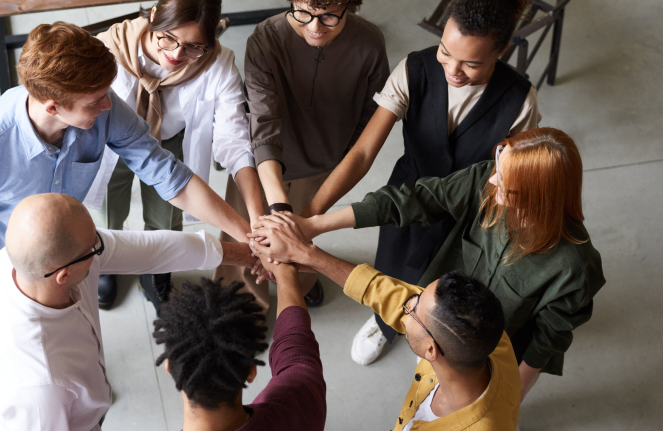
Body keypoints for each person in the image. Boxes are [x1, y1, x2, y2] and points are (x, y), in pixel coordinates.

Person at [0, 21, 252, 430]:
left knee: (69, 336)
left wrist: (248, 235)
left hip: (67, 245)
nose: (109, 105)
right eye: (96, 100)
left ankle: (84, 386)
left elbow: (168, 176)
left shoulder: (101, 108)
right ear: (52, 105)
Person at [253, 128, 605, 401]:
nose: (493, 180)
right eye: (499, 166)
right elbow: (415, 200)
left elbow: (546, 342)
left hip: (490, 355)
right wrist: (313, 225)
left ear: (540, 199)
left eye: (508, 187)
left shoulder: (575, 268)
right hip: (434, 315)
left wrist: (509, 397)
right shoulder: (488, 179)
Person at [300, 0, 540, 365]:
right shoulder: (415, 69)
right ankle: (386, 323)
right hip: (406, 199)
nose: (453, 71)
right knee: (395, 264)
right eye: (446, 52)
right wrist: (311, 218)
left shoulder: (519, 100)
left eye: (471, 63)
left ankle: (434, 333)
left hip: (470, 214)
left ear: (502, 51)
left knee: (452, 285)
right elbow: (363, 154)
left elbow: (515, 178)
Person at [0, 193, 256, 430]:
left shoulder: (22, 260)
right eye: (94, 246)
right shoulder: (41, 387)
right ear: (63, 274)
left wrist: (245, 254)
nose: (102, 245)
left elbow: (148, 250)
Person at [249, 214, 520, 429]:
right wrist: (307, 255)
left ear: (431, 351)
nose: (405, 303)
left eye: (413, 309)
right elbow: (387, 292)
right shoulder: (488, 338)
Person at [87, 0, 264, 312]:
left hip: (170, 140)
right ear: (154, 15)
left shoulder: (218, 64)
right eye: (168, 37)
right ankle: (107, 262)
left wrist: (256, 218)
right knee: (107, 209)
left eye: (194, 46)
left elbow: (234, 140)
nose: (176, 54)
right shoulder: (108, 48)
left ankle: (155, 270)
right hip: (111, 143)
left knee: (166, 217)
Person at [223, 0, 389, 312]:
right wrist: (280, 210)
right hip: (263, 159)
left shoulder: (369, 43)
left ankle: (303, 283)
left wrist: (339, 159)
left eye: (328, 16)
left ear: (349, 7)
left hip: (323, 162)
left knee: (303, 238)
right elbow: (262, 122)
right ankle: (240, 305)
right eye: (303, 13)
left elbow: (370, 119)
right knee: (246, 233)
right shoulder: (266, 37)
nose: (314, 27)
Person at [152, 259, 326, 430]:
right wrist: (285, 273)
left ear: (169, 367)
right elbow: (296, 346)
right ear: (251, 371)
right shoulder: (302, 397)